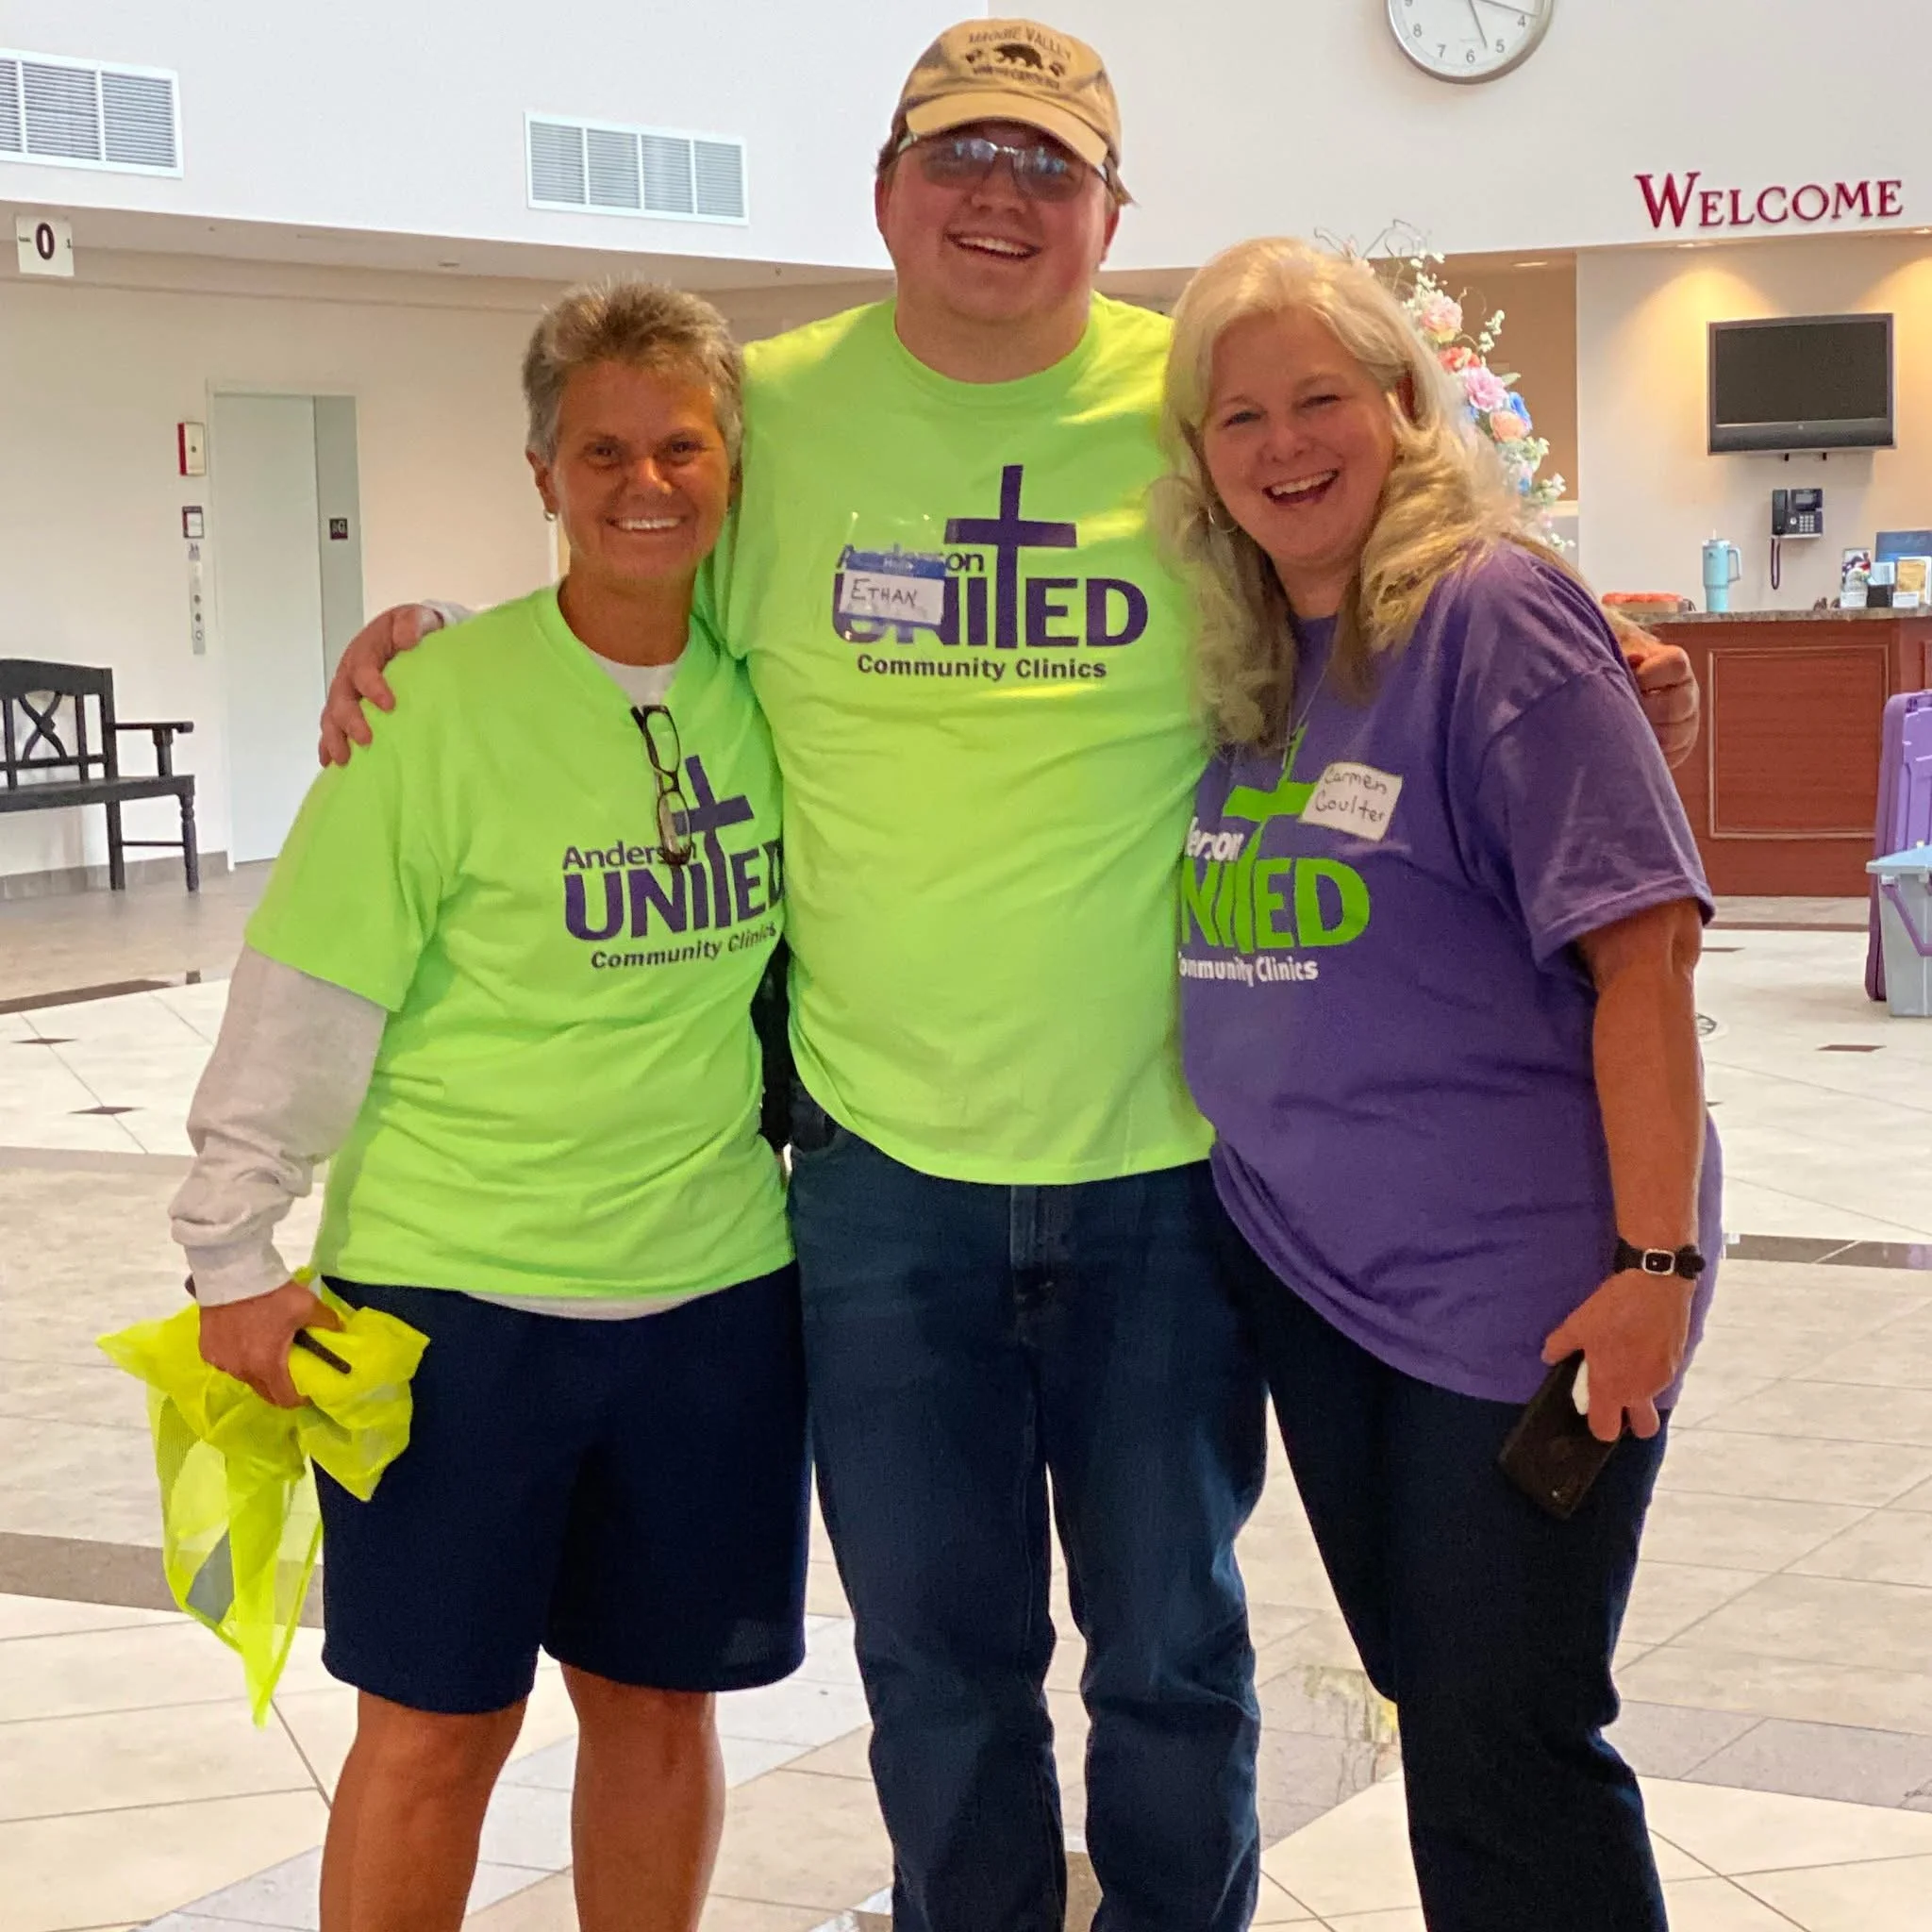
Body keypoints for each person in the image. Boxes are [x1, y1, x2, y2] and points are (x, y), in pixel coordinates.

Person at [316, 23, 1702, 1929]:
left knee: (1168, 1657)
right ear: (885, 189)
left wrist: (1585, 626)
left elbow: (1387, 555)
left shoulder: (1195, 395)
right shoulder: (776, 413)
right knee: (937, 1670)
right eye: (961, 154)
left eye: (1048, 166)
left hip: (1171, 1175)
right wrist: (436, 637)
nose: (999, 195)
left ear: (1111, 212)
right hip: (883, 1182)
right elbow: (625, 579)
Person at [172, 281, 805, 1932]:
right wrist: (231, 1252)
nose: (643, 483)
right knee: (440, 1728)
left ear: (732, 465)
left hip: (715, 1295)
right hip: (458, 1306)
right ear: (542, 472)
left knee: (661, 1707)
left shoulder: (777, 697)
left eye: (681, 446)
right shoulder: (430, 710)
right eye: (601, 450)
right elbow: (308, 991)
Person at [1156, 236, 1723, 1932]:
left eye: (1319, 397)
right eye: (1237, 414)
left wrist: (1653, 1269)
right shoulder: (1252, 651)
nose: (1281, 442)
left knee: (1513, 1734)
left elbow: (1648, 958)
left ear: (1404, 406)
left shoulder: (1488, 608)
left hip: (1522, 1302)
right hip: (1319, 1291)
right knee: (1449, 1704)